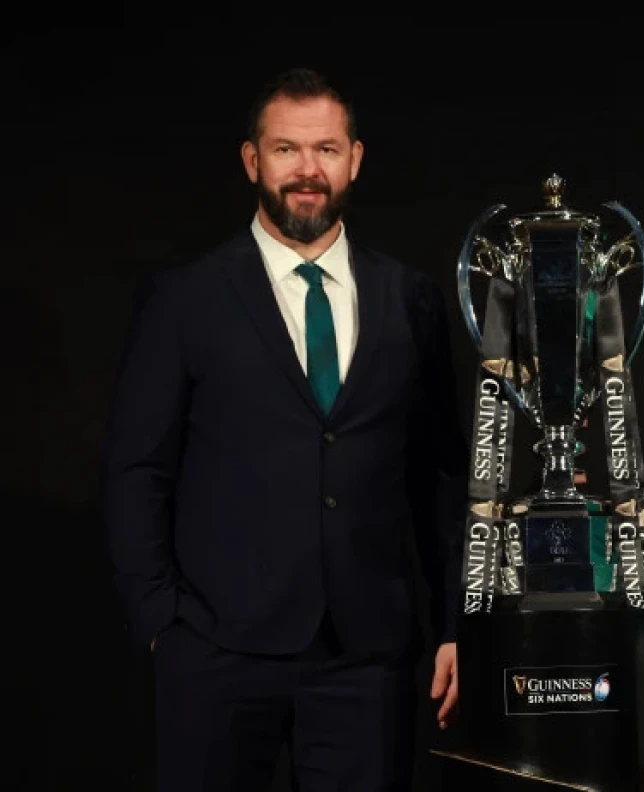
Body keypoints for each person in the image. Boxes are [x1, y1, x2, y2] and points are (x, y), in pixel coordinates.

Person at [102, 67, 468, 791]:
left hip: (367, 658)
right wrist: (160, 623)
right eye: (286, 150)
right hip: (215, 650)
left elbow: (439, 474)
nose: (308, 171)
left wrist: (457, 621)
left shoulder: (410, 298)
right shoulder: (186, 298)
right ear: (252, 161)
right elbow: (137, 468)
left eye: (327, 150)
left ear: (355, 159)